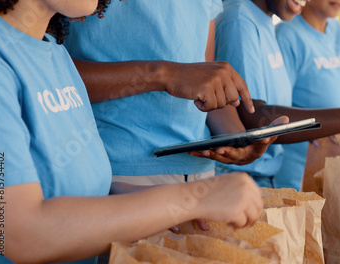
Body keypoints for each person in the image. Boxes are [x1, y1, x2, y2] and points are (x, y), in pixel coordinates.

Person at [0, 1, 263, 263]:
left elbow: (75, 186)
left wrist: (164, 210)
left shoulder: (54, 52)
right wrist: (192, 199)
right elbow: (15, 233)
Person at [64, 0, 284, 187]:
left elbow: (205, 76)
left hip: (201, 172)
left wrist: (238, 141)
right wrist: (164, 75)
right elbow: (50, 71)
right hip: (118, 171)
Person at [211, 0, 340, 188]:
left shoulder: (261, 19)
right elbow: (253, 120)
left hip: (262, 174)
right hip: (242, 178)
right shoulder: (239, 21)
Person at [274, 0, 340, 190]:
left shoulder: (337, 29)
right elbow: (274, 112)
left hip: (336, 164)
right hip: (297, 176)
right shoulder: (286, 35)